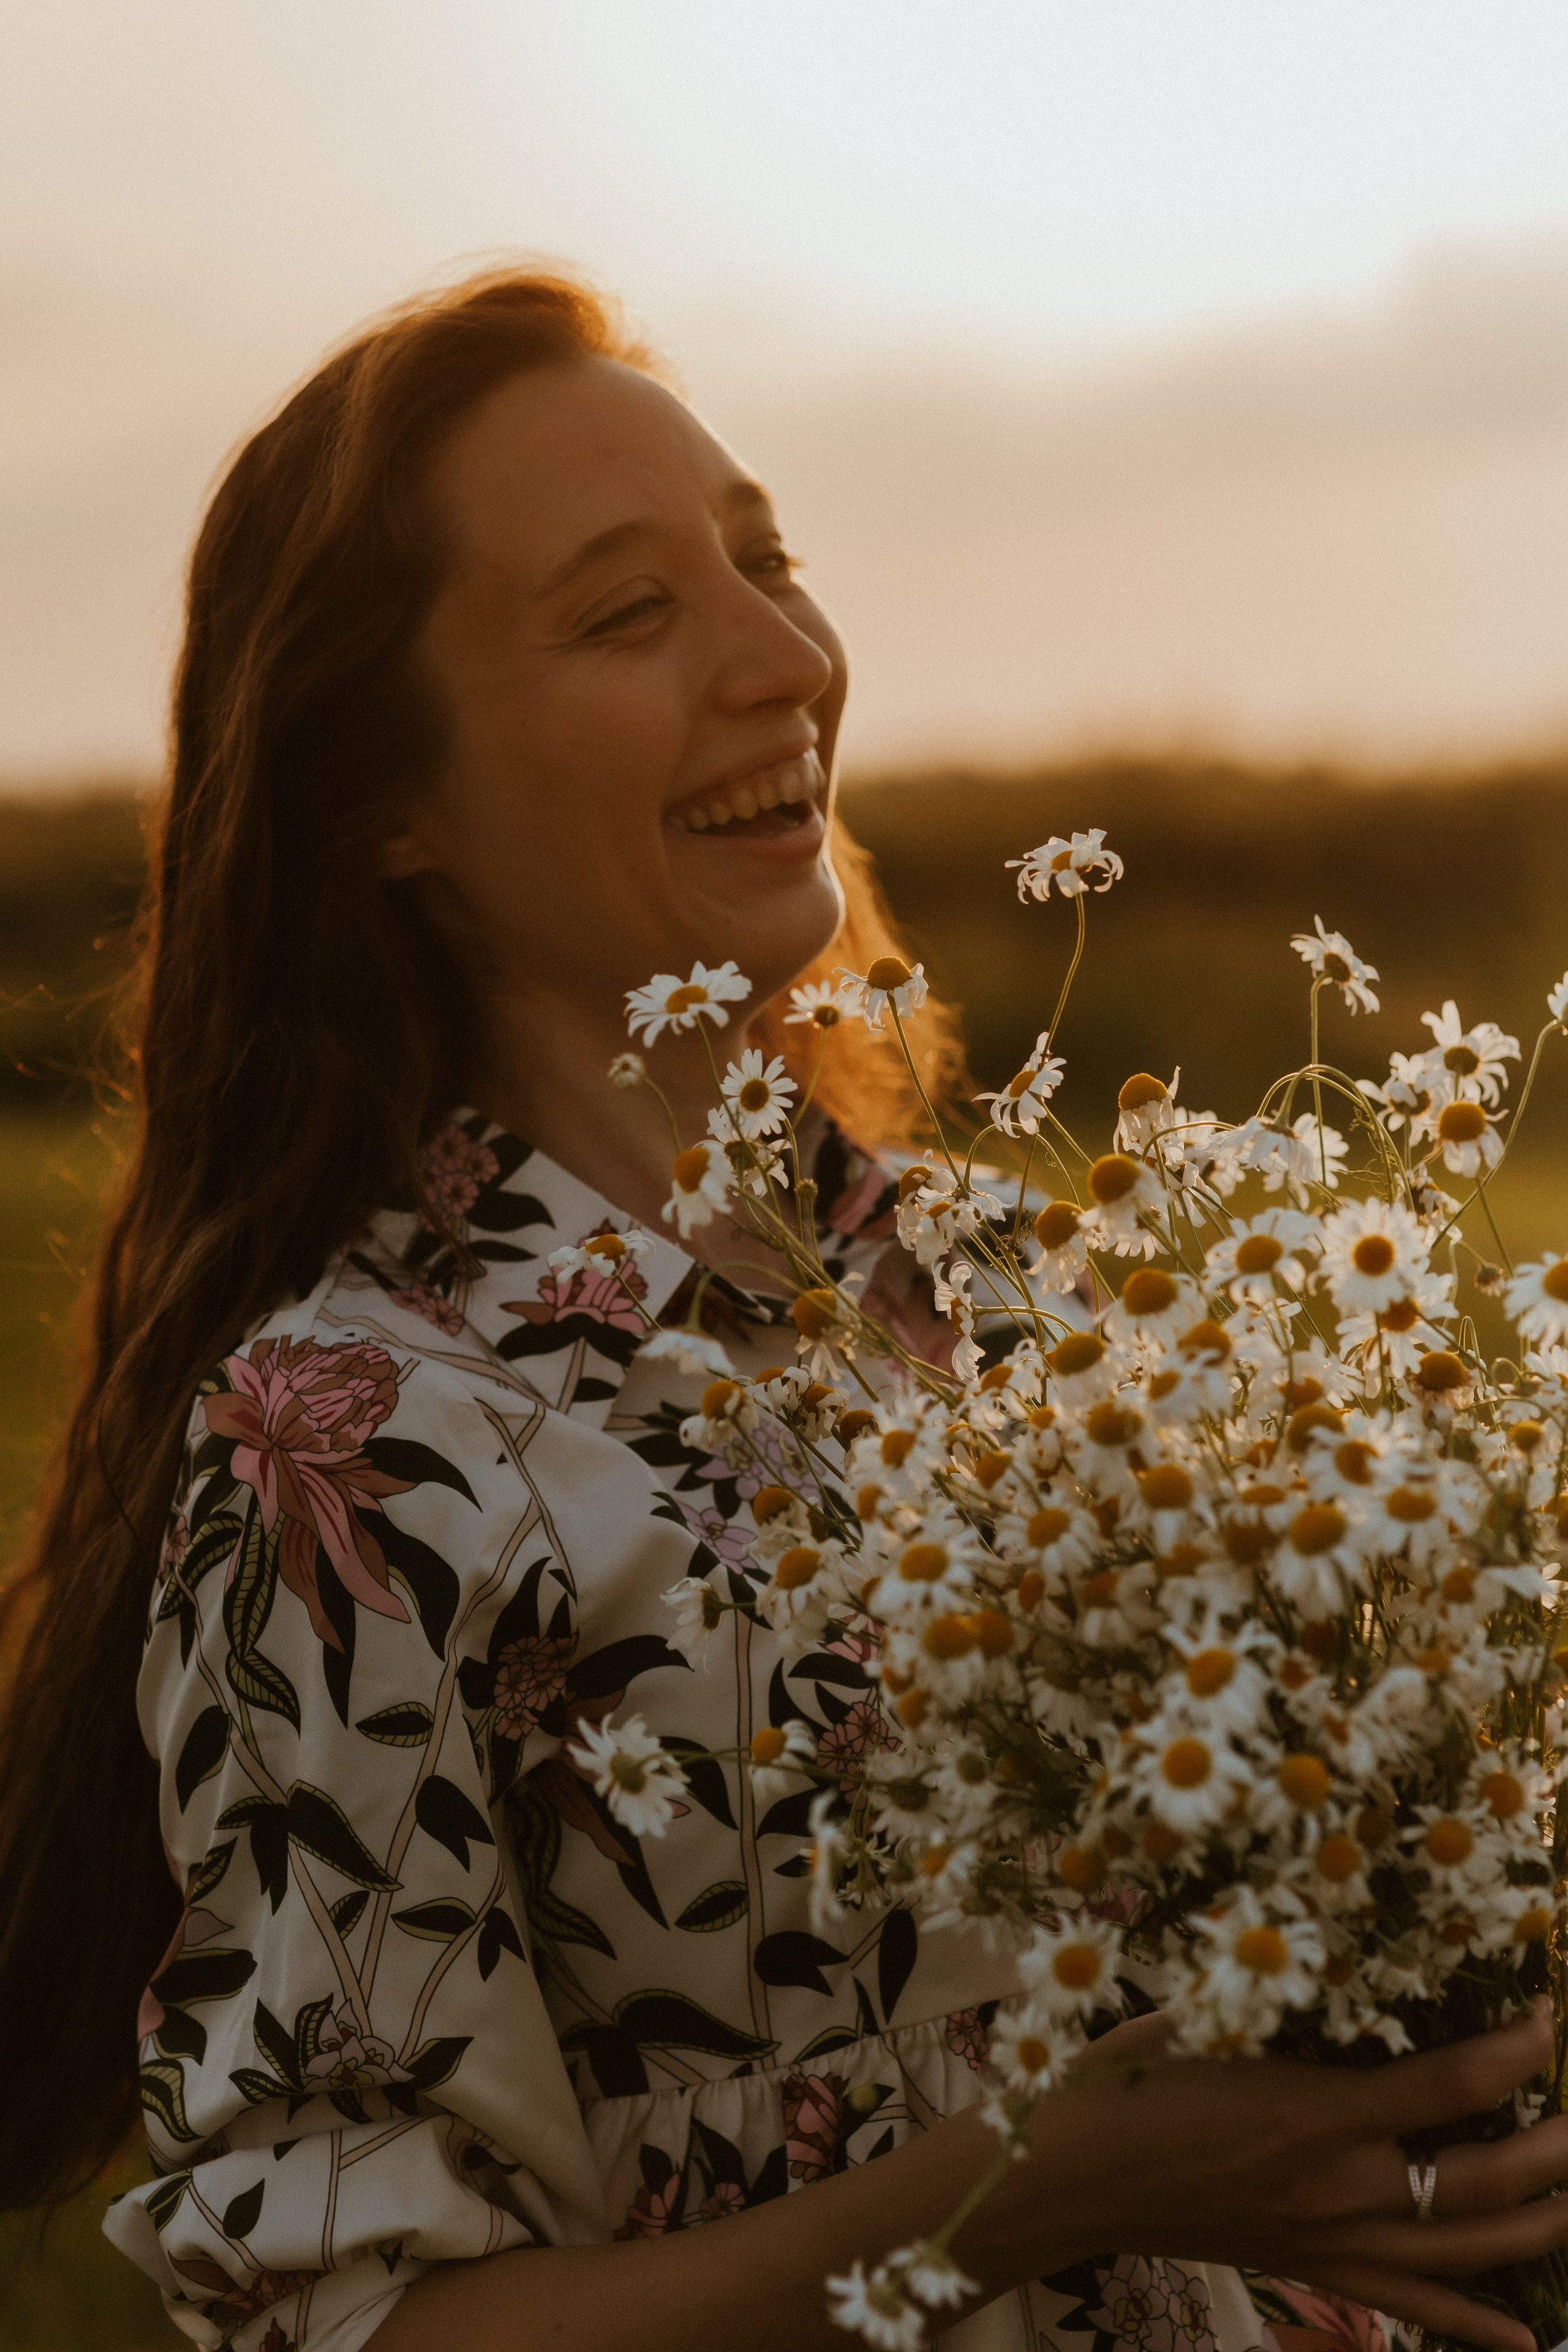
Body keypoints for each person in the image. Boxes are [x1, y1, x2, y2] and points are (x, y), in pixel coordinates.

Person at [0, 268, 1563, 2352]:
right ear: (386, 803)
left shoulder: (1032, 1289)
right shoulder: (356, 1449)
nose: (781, 659)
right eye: (627, 613)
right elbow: (351, 2332)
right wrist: (1026, 2197)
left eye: (769, 562)